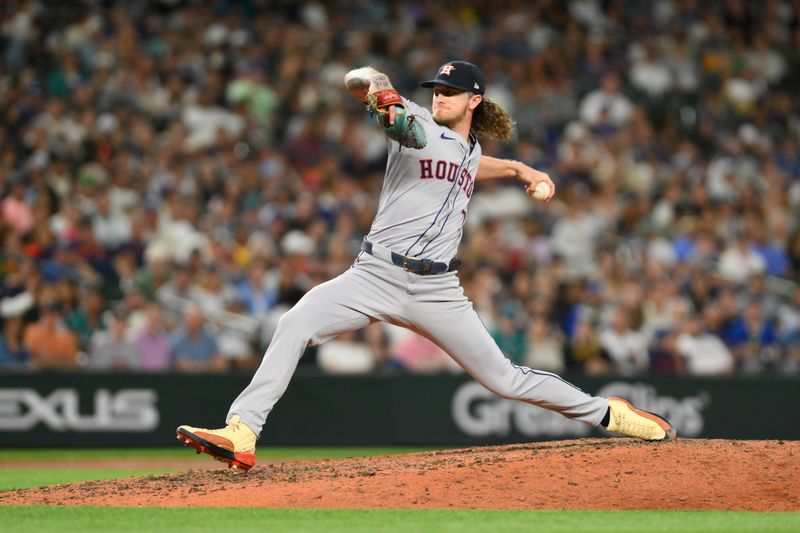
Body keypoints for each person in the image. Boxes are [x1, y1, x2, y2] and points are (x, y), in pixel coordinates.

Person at [177, 61, 676, 471]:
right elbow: (386, 105)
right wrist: (375, 90)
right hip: (373, 275)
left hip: (437, 290)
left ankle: (610, 414)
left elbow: (470, 161)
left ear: (473, 101)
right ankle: (242, 431)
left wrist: (520, 168)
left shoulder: (471, 148)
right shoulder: (413, 120)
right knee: (294, 322)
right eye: (437, 89)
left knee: (505, 380)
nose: (440, 97)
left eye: (451, 91)